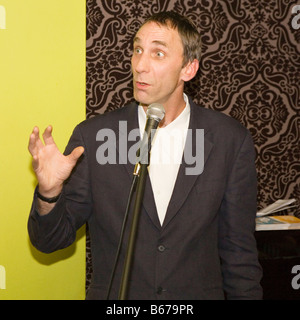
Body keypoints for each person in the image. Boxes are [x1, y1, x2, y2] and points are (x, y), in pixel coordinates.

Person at [28, 11, 262, 300]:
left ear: (188, 69)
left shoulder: (229, 140)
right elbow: (49, 241)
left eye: (158, 53)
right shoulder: (95, 136)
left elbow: (239, 253)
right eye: (137, 50)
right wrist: (49, 193)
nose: (140, 65)